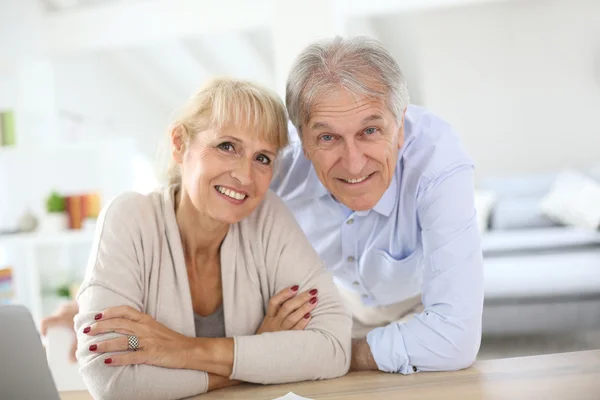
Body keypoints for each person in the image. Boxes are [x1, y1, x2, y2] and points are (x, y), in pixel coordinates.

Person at [43, 35, 484, 377]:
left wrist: (320, 355)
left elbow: (456, 338)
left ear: (401, 125)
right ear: (302, 140)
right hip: (329, 315)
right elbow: (188, 221)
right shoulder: (274, 165)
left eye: (371, 131)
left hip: (415, 313)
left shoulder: (438, 166)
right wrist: (98, 296)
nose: (353, 162)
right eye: (327, 137)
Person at [70, 78, 351, 400]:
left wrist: (184, 350)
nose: (245, 176)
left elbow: (334, 347)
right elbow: (111, 380)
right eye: (227, 146)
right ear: (179, 143)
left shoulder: (268, 216)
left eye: (263, 158)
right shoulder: (130, 217)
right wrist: (255, 361)